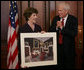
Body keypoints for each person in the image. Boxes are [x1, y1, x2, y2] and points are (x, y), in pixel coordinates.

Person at [48, 2, 78, 69]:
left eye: (60, 10)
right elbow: (50, 31)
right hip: (57, 50)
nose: (58, 12)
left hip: (69, 51)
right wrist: (56, 27)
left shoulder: (73, 19)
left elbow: (74, 33)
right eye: (58, 10)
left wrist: (62, 28)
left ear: (66, 11)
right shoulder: (55, 18)